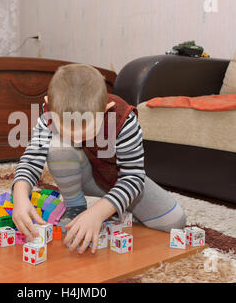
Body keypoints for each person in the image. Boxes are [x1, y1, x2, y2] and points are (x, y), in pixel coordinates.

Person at [11, 63, 186, 254]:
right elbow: (31, 158)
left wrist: (98, 213)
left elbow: (133, 177)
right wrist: (20, 196)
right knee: (59, 146)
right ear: (50, 107)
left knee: (175, 222)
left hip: (119, 181)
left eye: (86, 132)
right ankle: (75, 205)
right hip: (84, 176)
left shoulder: (123, 119)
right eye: (68, 132)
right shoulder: (49, 114)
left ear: (106, 109)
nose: (77, 140)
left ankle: (110, 206)